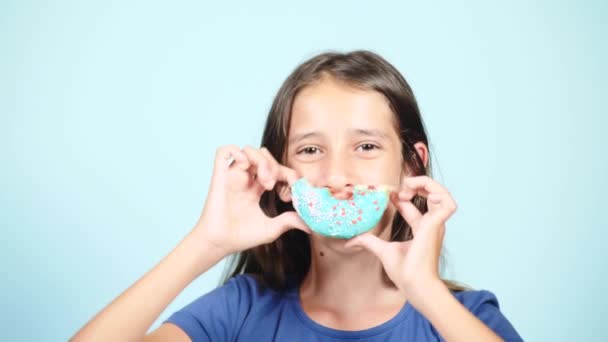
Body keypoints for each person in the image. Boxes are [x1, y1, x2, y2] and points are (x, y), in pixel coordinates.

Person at [71, 50, 523, 341]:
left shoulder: (462, 318)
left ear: (412, 164)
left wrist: (427, 292)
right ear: (283, 177)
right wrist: (205, 244)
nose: (337, 175)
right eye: (310, 150)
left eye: (366, 147)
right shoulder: (238, 313)